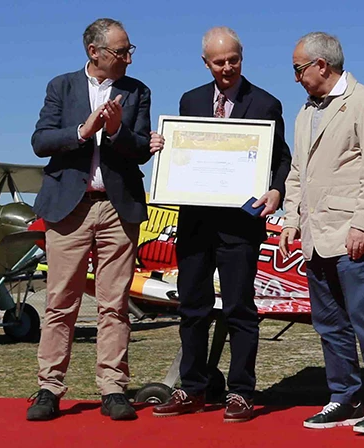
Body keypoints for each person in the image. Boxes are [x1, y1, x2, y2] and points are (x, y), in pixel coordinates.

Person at [150, 27, 292, 423]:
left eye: (234, 60)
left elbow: (282, 158)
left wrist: (277, 191)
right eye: (219, 61)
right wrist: (163, 148)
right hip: (195, 224)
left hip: (240, 227)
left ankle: (241, 392)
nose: (227, 67)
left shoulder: (265, 104)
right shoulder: (190, 100)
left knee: (239, 310)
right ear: (206, 63)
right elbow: (181, 154)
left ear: (242, 58)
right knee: (191, 309)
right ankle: (191, 389)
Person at [279, 31, 364, 435]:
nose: (296, 77)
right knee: (329, 323)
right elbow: (297, 173)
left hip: (352, 234)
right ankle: (345, 396)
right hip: (315, 237)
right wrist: (290, 220)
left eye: (298, 69)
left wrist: (363, 224)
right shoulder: (305, 112)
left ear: (322, 65)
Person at [26, 18, 156, 422]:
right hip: (69, 208)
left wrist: (117, 131)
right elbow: (40, 141)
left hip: (118, 209)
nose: (127, 58)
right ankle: (49, 387)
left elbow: (142, 149)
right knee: (59, 302)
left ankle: (113, 388)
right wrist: (84, 130)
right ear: (94, 52)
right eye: (121, 51)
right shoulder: (60, 87)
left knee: (114, 303)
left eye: (129, 50)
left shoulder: (137, 91)